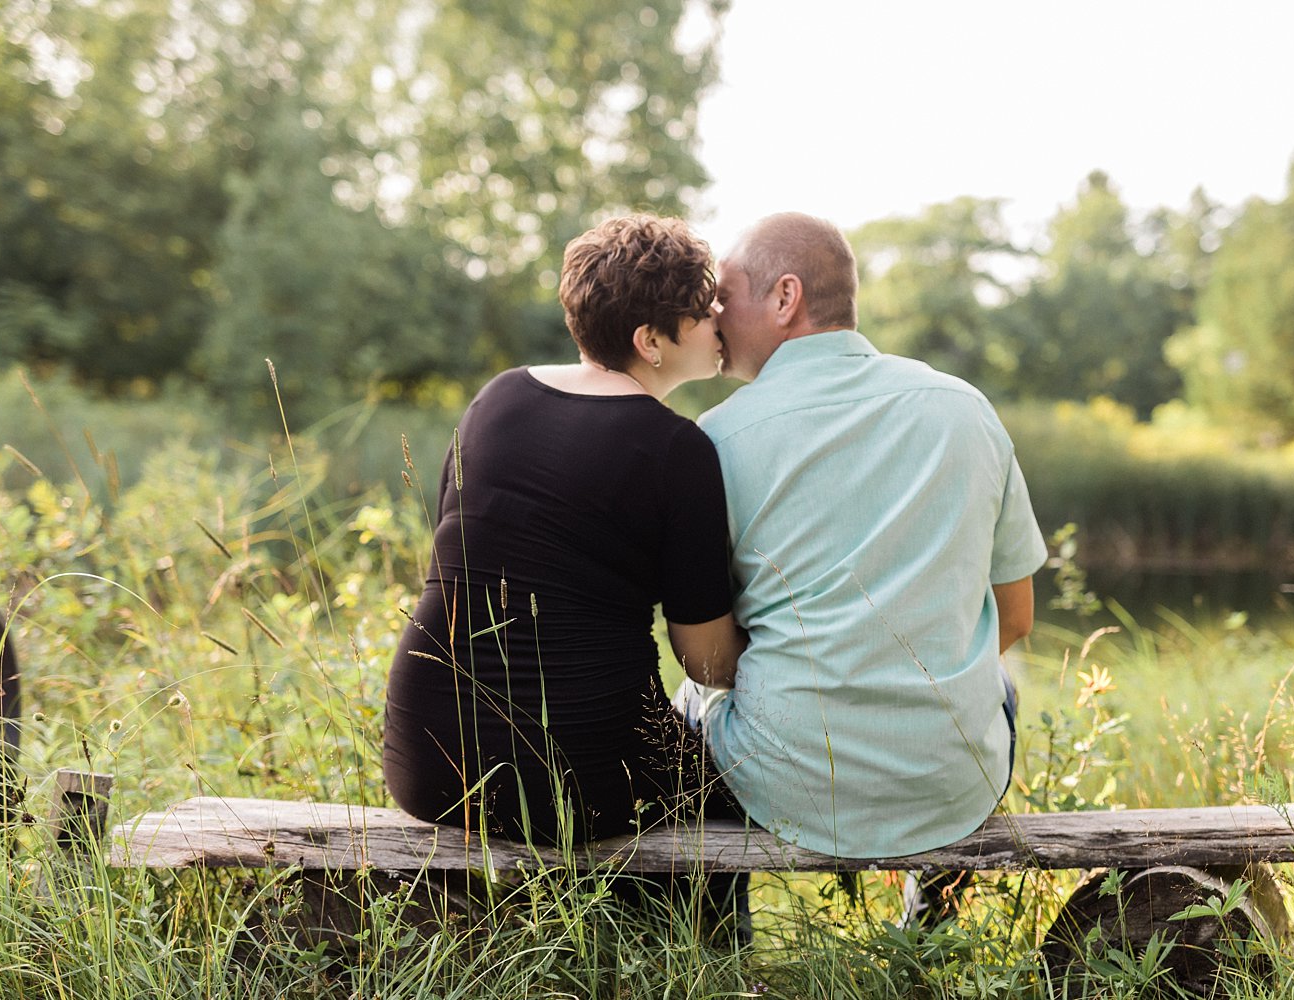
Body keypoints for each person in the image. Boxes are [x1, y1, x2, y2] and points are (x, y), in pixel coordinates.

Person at [679, 212, 1046, 920]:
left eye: (724, 297)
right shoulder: (965, 408)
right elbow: (1018, 617)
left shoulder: (717, 437)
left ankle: (719, 956)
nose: (711, 317)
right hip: (950, 779)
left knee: (688, 710)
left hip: (782, 777)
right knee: (1001, 690)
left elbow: (709, 657)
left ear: (786, 298)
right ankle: (929, 932)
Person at [384, 215, 747, 861]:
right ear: (650, 340)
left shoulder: (497, 398)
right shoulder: (678, 448)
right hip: (577, 778)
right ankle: (707, 957)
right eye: (700, 308)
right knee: (731, 797)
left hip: (426, 756)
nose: (718, 315)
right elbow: (708, 665)